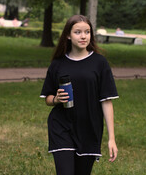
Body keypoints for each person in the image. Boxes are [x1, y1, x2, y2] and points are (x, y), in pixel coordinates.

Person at [40, 15, 119, 175]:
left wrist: (112, 138)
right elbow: (47, 97)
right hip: (61, 127)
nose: (83, 36)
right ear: (68, 35)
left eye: (87, 32)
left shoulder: (100, 63)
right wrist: (56, 99)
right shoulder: (58, 64)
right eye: (78, 32)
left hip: (89, 129)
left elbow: (106, 101)